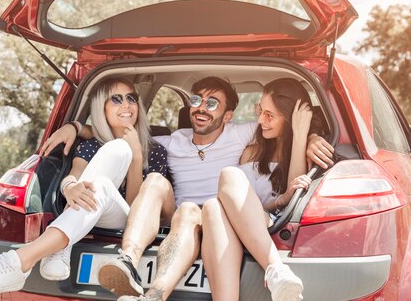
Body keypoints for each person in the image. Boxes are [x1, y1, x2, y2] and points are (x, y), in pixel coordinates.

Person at [39, 76, 334, 301]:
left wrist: (311, 138)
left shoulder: (243, 132)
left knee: (209, 203)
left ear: (228, 115)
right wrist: (76, 128)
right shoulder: (172, 140)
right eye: (196, 100)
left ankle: (155, 292)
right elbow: (122, 134)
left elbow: (283, 126)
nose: (201, 108)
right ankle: (129, 261)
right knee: (164, 187)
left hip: (223, 218)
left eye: (212, 103)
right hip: (180, 219)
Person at [0, 77, 168, 296]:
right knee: (108, 170)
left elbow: (138, 208)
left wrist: (136, 157)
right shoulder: (91, 146)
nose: (126, 104)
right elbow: (72, 177)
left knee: (120, 151)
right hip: (94, 211)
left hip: (131, 223)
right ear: (101, 109)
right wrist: (70, 188)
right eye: (116, 99)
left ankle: (20, 261)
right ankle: (60, 245)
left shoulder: (156, 151)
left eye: (131, 98)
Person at [201, 78, 313, 301]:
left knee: (228, 176)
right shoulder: (252, 152)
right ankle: (275, 271)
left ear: (291, 118)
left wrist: (302, 136)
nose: (261, 120)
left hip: (276, 226)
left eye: (270, 115)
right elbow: (247, 205)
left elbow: (293, 195)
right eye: (260, 110)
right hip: (251, 224)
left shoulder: (310, 151)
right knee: (213, 204)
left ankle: (275, 269)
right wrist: (279, 201)